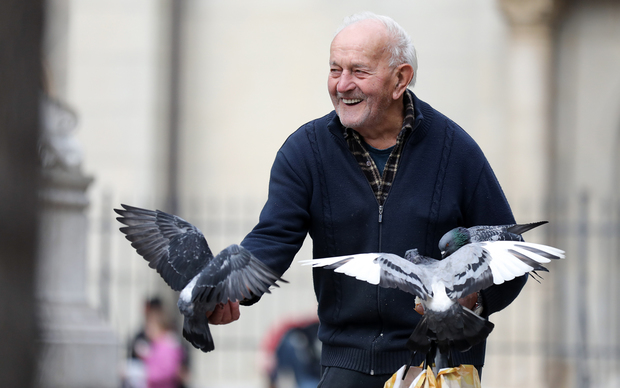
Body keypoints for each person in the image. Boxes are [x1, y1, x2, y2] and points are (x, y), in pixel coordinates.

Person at [207, 11, 527, 387]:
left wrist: (471, 300)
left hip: (439, 366)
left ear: (400, 79)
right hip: (347, 364)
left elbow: (511, 252)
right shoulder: (304, 152)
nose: (342, 85)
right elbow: (272, 240)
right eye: (334, 70)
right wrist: (226, 289)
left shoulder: (455, 150)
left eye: (358, 72)